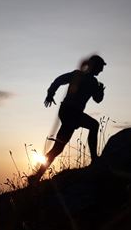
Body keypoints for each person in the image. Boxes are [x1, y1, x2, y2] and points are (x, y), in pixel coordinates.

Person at [29, 54, 107, 184]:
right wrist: (50, 93)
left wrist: (100, 91)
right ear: (94, 66)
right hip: (69, 111)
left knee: (58, 148)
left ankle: (36, 177)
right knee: (93, 126)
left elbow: (97, 99)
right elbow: (59, 80)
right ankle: (94, 159)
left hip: (71, 113)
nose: (101, 70)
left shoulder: (93, 82)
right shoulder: (78, 75)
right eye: (100, 67)